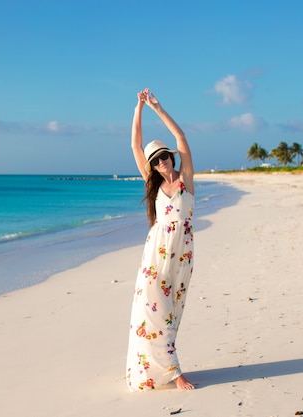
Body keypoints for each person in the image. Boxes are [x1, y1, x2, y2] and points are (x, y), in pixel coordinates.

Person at [125, 88, 196, 391]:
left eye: (164, 156)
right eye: (155, 161)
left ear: (171, 156)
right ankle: (174, 371)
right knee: (149, 310)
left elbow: (182, 140)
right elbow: (135, 144)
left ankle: (166, 366)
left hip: (181, 252)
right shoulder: (152, 184)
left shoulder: (186, 179)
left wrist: (158, 108)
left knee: (171, 312)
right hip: (155, 253)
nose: (161, 162)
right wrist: (138, 108)